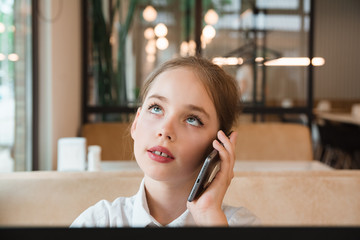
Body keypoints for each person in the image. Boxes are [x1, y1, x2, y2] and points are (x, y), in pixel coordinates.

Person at [71, 56, 260, 227]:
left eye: (192, 119)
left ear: (219, 146)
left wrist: (209, 215)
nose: (165, 130)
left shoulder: (240, 224)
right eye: (156, 108)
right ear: (136, 123)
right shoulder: (97, 222)